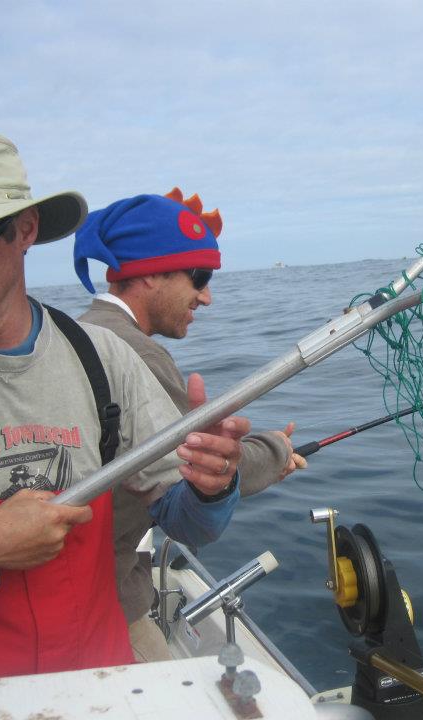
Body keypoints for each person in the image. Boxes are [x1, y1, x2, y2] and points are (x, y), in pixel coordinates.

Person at [0, 129, 242, 688]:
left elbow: (185, 522)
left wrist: (213, 488)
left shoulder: (104, 359)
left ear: (25, 232)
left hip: (97, 686)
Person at [73, 188, 306, 661]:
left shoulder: (80, 332)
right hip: (103, 606)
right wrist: (278, 451)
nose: (207, 296)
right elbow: (199, 462)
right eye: (199, 276)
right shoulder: (133, 352)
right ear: (150, 274)